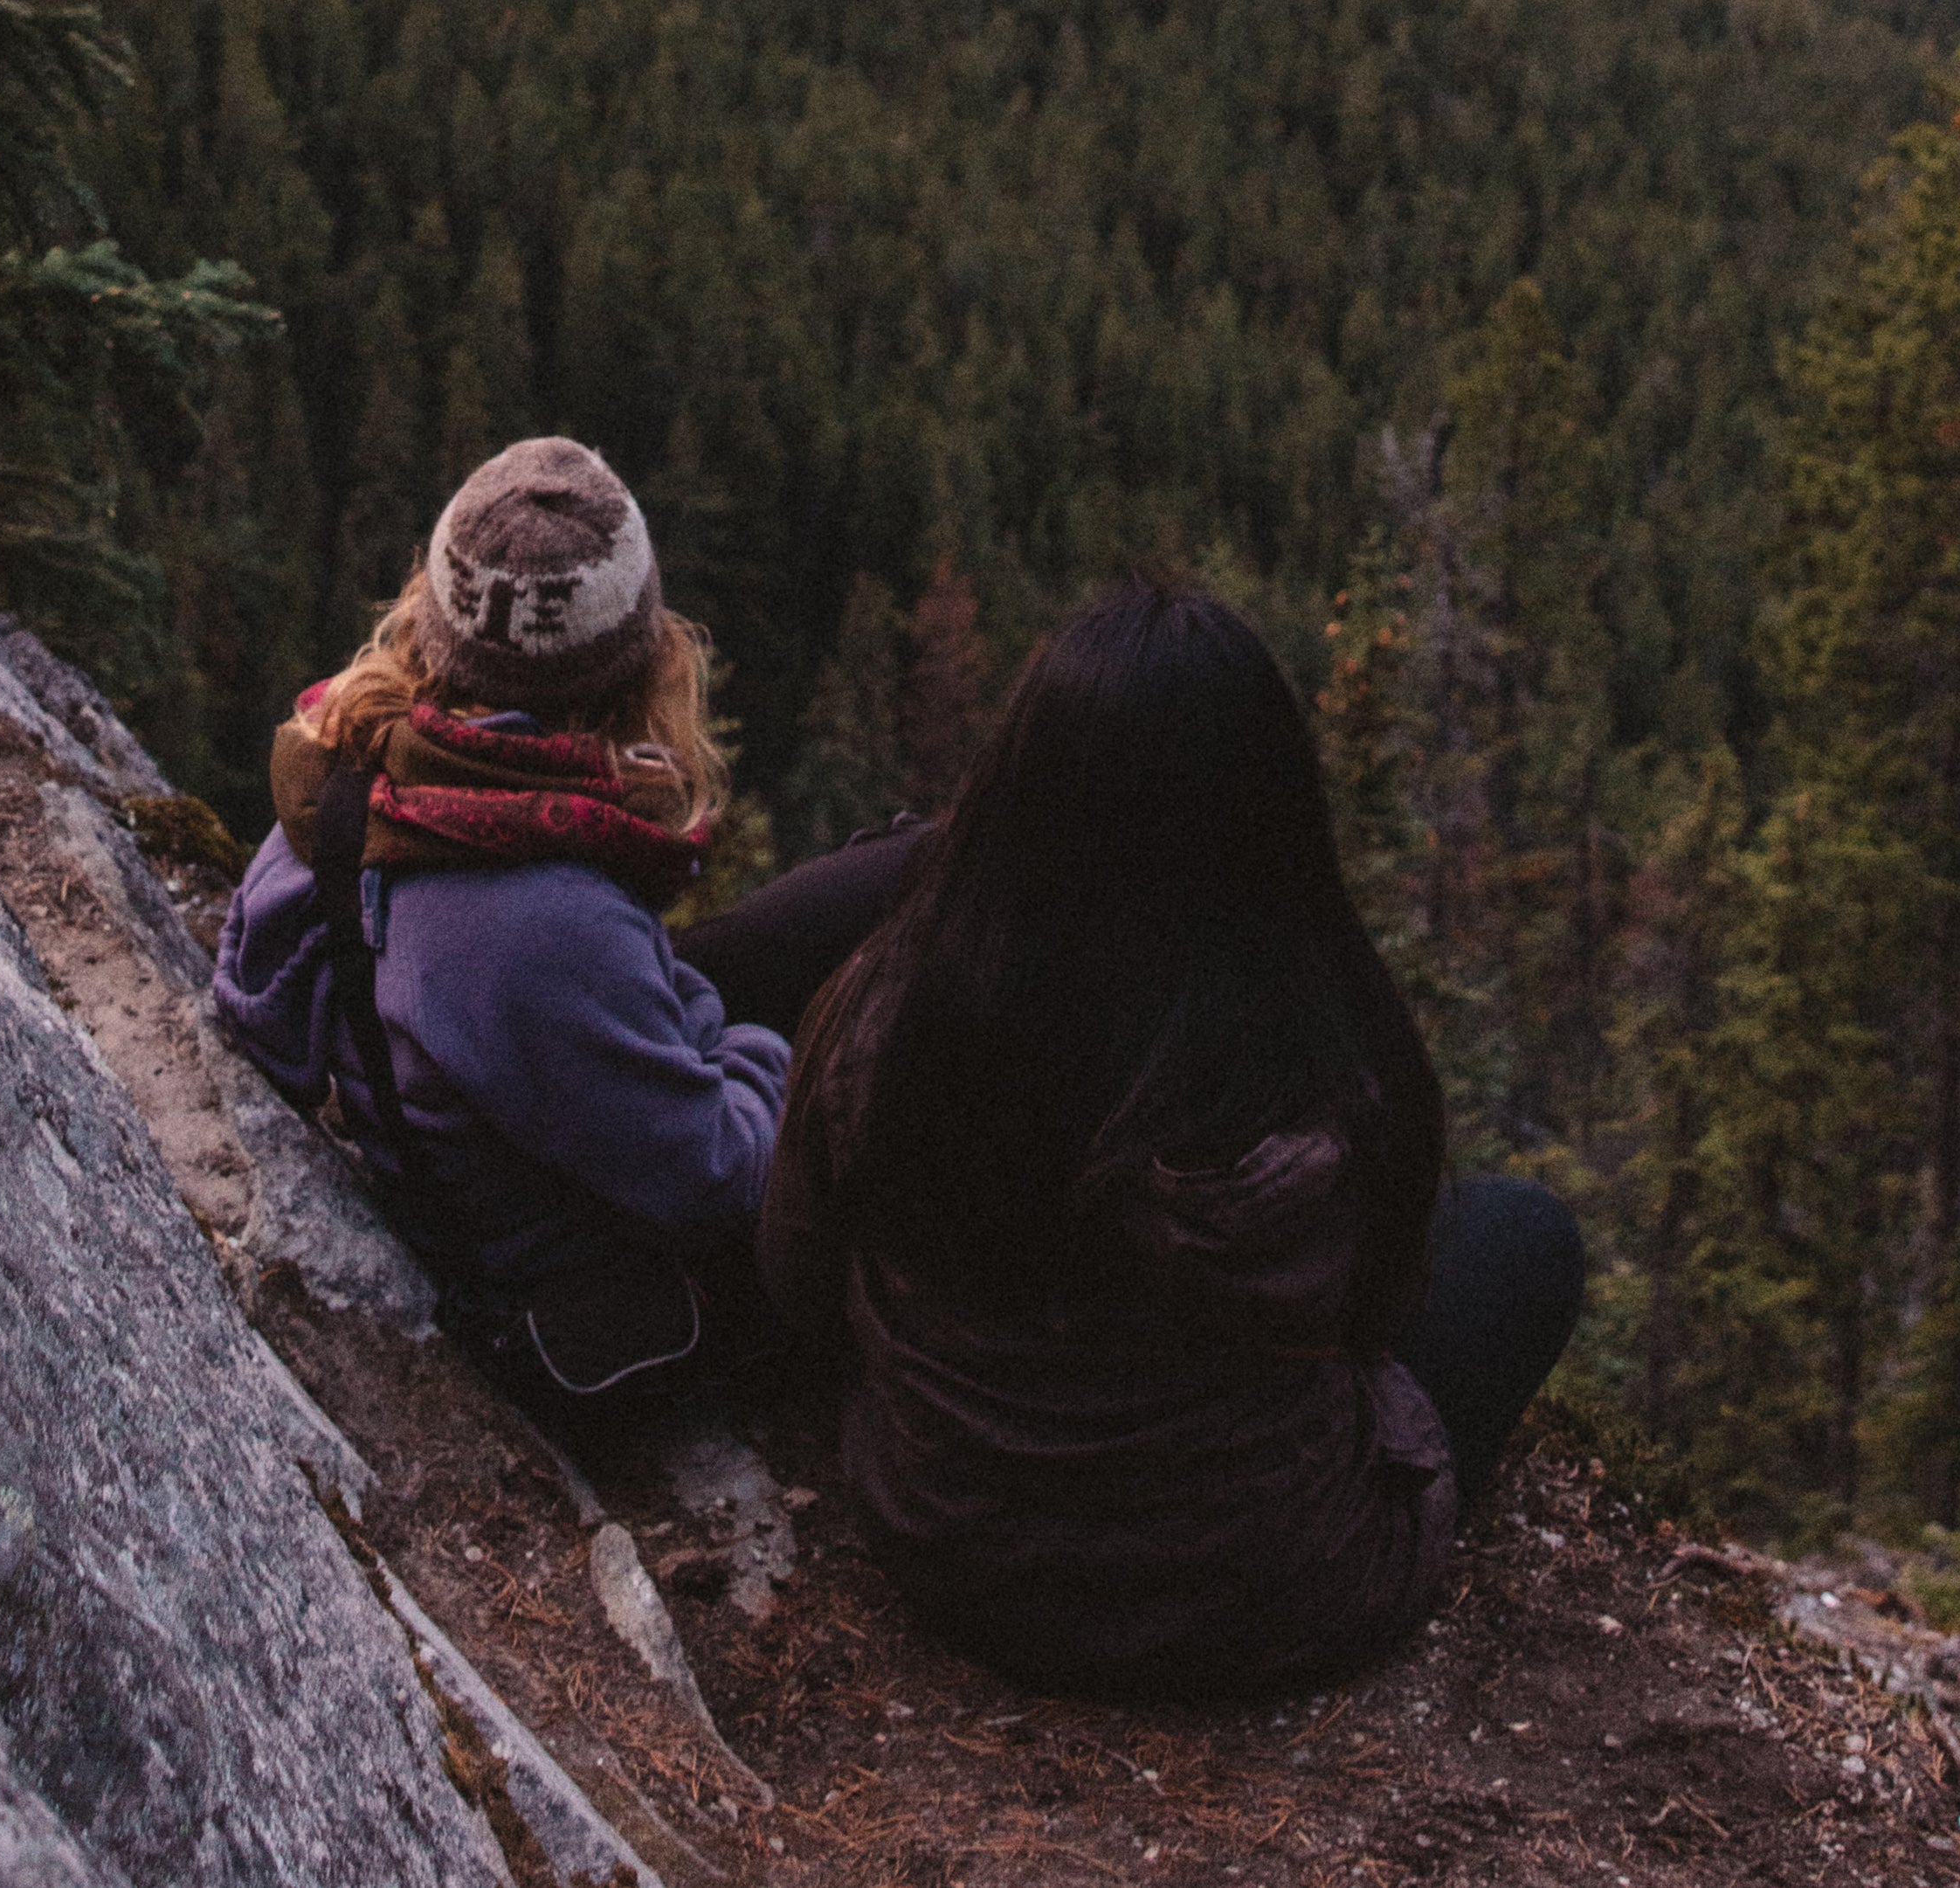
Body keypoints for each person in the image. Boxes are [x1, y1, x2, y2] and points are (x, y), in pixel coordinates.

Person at [758, 577, 1583, 1701]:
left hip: (956, 1555)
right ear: (1271, 813)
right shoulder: (1329, 1067)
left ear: (1018, 787)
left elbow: (798, 1272)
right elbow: (1373, 1326)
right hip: (1266, 1598)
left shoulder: (892, 1016)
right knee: (1523, 1235)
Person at [215, 434, 810, 1419]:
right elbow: (721, 1177)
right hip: (574, 1299)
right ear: (635, 664)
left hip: (493, 1163)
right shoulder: (548, 918)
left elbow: (259, 1017)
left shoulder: (339, 792)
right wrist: (766, 1051)